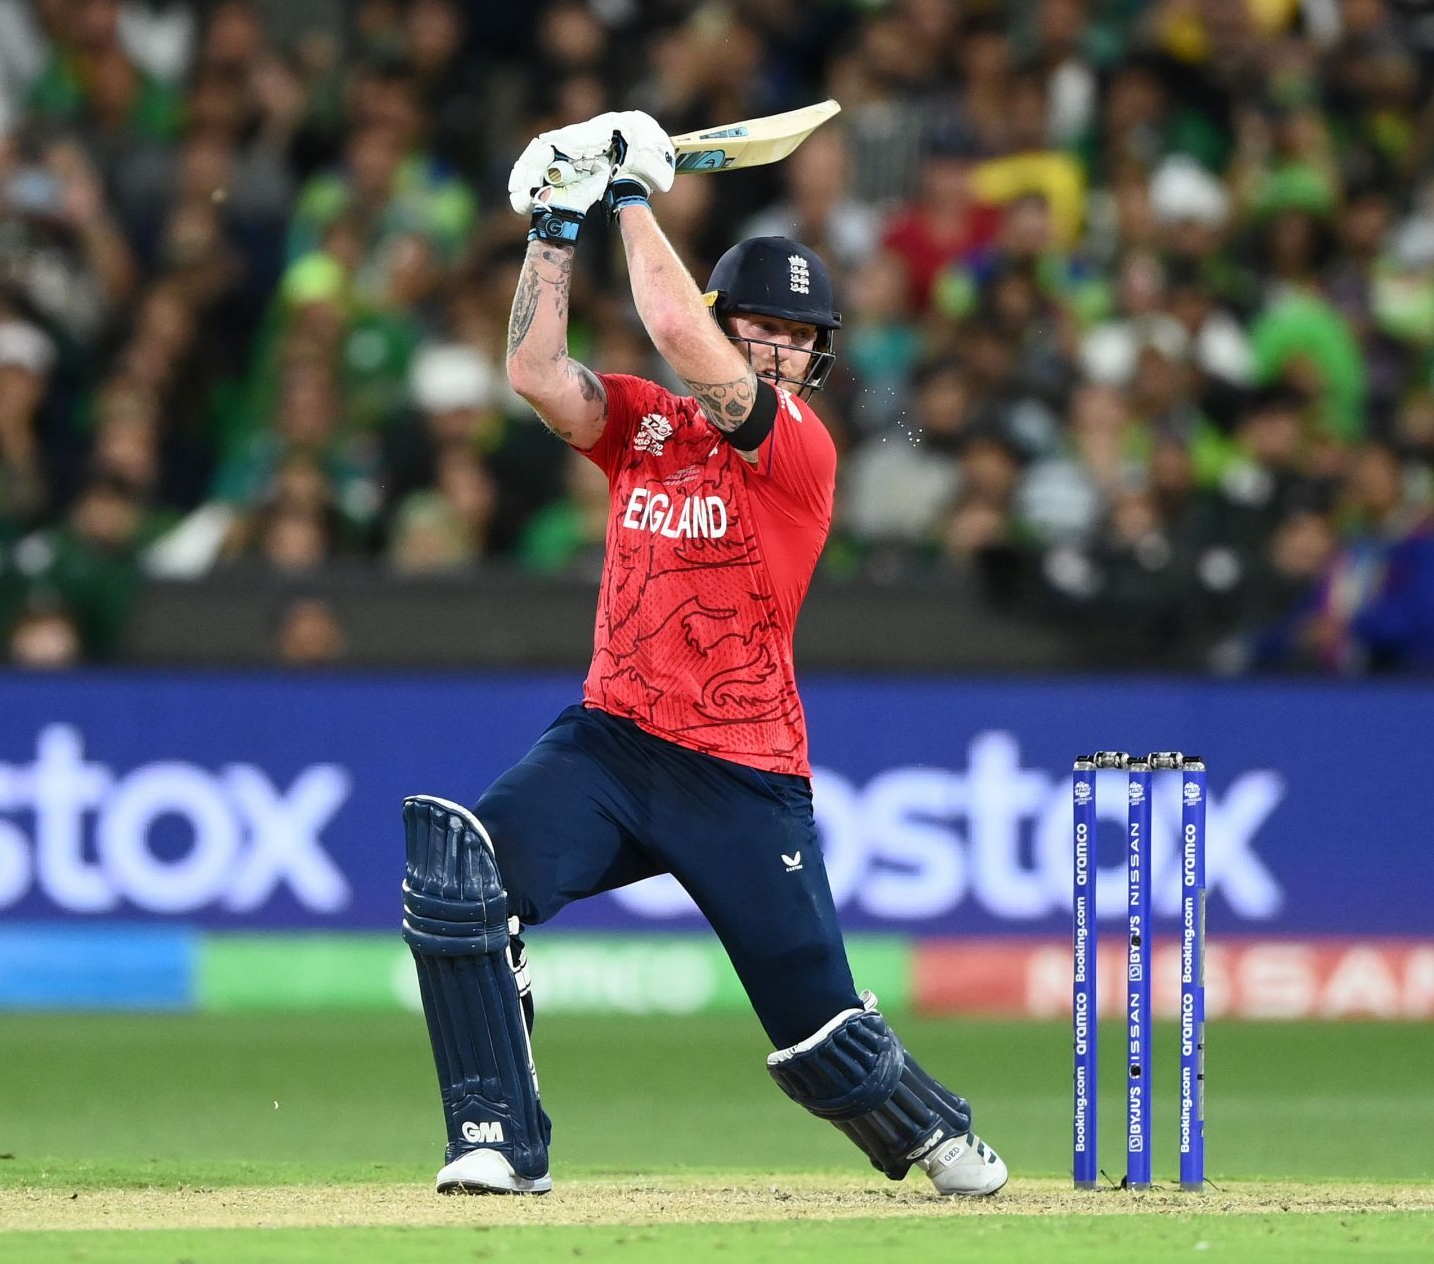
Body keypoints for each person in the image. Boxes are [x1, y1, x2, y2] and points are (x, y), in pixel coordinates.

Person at [399, 111, 1006, 1198]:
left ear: (816, 360)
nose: (775, 347)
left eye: (795, 335)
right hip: (612, 742)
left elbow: (678, 327)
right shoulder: (642, 426)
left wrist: (630, 192)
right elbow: (537, 372)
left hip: (742, 773)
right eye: (759, 326)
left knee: (821, 1035)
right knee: (461, 878)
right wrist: (556, 218)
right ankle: (495, 1136)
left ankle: (934, 1129)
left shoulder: (800, 449)